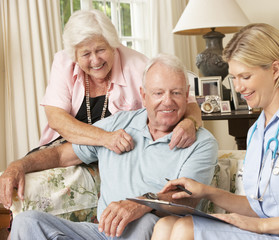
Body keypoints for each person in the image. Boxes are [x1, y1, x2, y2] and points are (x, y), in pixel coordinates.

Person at [151, 23, 279, 240]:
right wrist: (207, 192)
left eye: (245, 77)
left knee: (185, 230)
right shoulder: (258, 130)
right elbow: (263, 207)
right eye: (234, 77)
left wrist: (262, 226)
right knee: (166, 225)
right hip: (272, 234)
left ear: (275, 70)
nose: (238, 87)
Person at [0, 54, 218, 239]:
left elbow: (188, 196)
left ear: (187, 93)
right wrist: (18, 166)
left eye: (176, 93)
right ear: (143, 95)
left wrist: (142, 203)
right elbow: (59, 155)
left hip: (152, 232)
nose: (167, 101)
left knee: (145, 221)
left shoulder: (201, 142)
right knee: (28, 222)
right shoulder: (117, 124)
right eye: (158, 93)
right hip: (101, 232)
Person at [38, 9, 201, 154]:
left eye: (101, 50)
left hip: (118, 153)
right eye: (86, 54)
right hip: (63, 148)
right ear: (74, 55)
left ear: (113, 45)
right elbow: (56, 118)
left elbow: (188, 102)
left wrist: (190, 122)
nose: (95, 60)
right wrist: (105, 138)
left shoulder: (138, 65)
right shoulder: (64, 62)